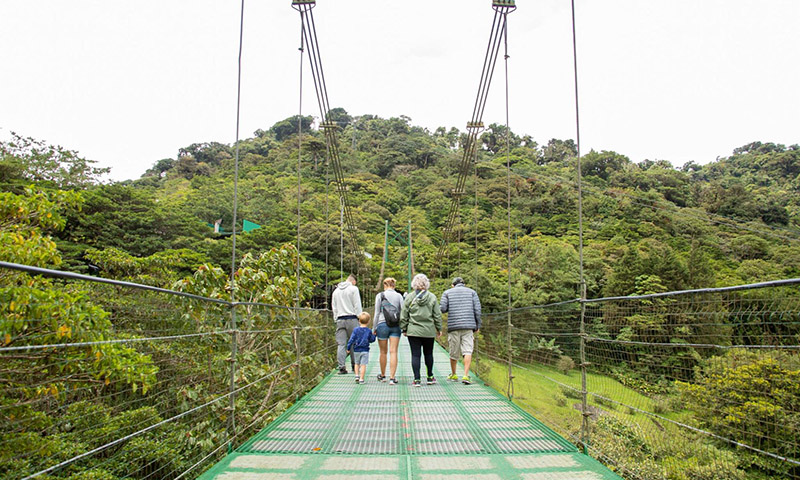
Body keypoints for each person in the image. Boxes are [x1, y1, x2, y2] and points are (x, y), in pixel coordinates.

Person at [400, 273, 442, 387]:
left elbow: (404, 314)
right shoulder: (432, 297)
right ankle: (429, 376)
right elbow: (437, 315)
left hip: (413, 330)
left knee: (415, 355)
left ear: (414, 284)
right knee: (428, 353)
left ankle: (417, 379)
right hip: (428, 331)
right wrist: (439, 328)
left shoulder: (409, 297)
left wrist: (404, 328)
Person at [440, 276, 481, 385]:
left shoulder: (447, 293)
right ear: (464, 284)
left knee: (454, 351)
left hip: (454, 326)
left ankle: (454, 374)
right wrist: (477, 325)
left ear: (453, 285)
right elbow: (477, 310)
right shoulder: (472, 292)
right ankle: (466, 376)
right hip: (468, 326)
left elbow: (443, 309)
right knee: (467, 350)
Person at [373, 277, 403, 385]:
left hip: (382, 325)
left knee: (383, 352)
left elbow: (376, 313)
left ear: (385, 285)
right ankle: (392, 378)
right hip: (395, 325)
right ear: (394, 285)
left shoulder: (379, 296)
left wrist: (374, 328)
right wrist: (404, 327)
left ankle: (382, 375)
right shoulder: (399, 296)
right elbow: (402, 312)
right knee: (393, 351)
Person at [332, 274, 362, 374]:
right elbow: (357, 305)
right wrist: (360, 317)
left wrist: (336, 318)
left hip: (340, 319)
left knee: (341, 344)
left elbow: (334, 307)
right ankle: (355, 366)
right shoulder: (354, 289)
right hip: (352, 318)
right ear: (353, 281)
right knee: (354, 342)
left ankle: (341, 367)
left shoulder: (336, 291)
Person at [346, 312, 376, 384]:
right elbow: (372, 340)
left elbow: (351, 339)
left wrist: (348, 348)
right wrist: (374, 335)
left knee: (357, 363)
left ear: (359, 321)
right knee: (363, 365)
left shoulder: (356, 330)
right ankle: (361, 379)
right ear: (369, 321)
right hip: (365, 350)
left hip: (356, 349)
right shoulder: (368, 331)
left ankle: (357, 376)